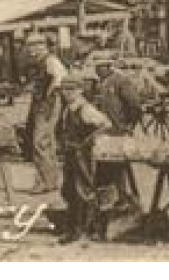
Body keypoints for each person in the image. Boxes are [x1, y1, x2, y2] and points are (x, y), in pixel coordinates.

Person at [54, 75, 113, 243]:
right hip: (71, 154)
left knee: (84, 190)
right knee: (69, 190)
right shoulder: (68, 108)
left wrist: (89, 140)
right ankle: (75, 227)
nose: (67, 93)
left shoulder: (85, 109)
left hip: (83, 155)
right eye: (65, 90)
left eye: (72, 89)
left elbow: (106, 124)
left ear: (80, 90)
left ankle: (88, 228)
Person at [23, 33, 68, 194]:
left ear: (43, 46)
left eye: (35, 46)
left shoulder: (51, 61)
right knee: (46, 142)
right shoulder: (42, 62)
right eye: (30, 46)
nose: (32, 50)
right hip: (41, 103)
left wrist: (48, 96)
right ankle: (51, 179)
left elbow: (59, 80)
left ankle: (46, 181)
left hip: (47, 104)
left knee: (40, 142)